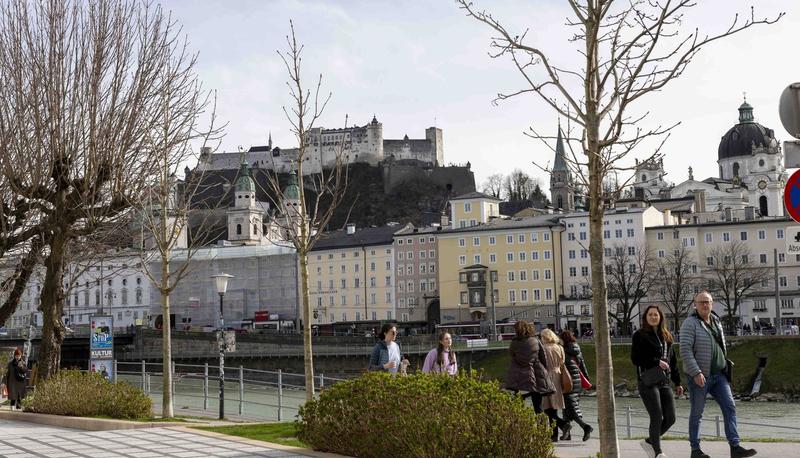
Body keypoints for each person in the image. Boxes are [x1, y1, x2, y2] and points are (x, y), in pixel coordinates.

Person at [681, 291, 757, 458]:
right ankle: (695, 450)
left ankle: (735, 447)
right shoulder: (690, 323)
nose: (705, 305)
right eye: (701, 302)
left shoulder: (716, 320)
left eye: (707, 302)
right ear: (695, 304)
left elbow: (720, 346)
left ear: (712, 303)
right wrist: (696, 372)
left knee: (730, 407)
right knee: (697, 413)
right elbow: (685, 350)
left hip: (719, 375)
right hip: (700, 376)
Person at [631, 305, 683, 458]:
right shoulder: (639, 335)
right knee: (656, 416)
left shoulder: (667, 336)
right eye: (650, 315)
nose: (653, 317)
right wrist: (656, 362)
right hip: (647, 380)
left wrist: (678, 382)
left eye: (656, 315)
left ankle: (649, 441)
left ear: (660, 317)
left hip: (664, 380)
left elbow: (673, 362)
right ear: (645, 318)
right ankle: (657, 452)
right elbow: (635, 359)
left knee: (671, 418)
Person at [506, 320, 553, 413]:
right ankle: (541, 425)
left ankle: (522, 424)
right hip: (535, 374)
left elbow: (512, 355)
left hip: (518, 375)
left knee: (518, 403)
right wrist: (544, 371)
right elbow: (543, 357)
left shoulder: (514, 342)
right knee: (537, 404)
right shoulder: (535, 340)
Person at [560, 329, 593, 441]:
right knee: (568, 406)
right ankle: (567, 434)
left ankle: (585, 427)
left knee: (570, 407)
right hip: (578, 381)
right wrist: (587, 381)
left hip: (567, 382)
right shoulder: (577, 349)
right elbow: (583, 366)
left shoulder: (563, 350)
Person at [540, 328, 568, 442]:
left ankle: (561, 426)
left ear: (544, 337)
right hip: (558, 376)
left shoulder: (543, 349)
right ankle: (554, 434)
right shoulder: (560, 347)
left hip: (547, 376)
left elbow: (541, 363)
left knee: (547, 407)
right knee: (554, 407)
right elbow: (562, 363)